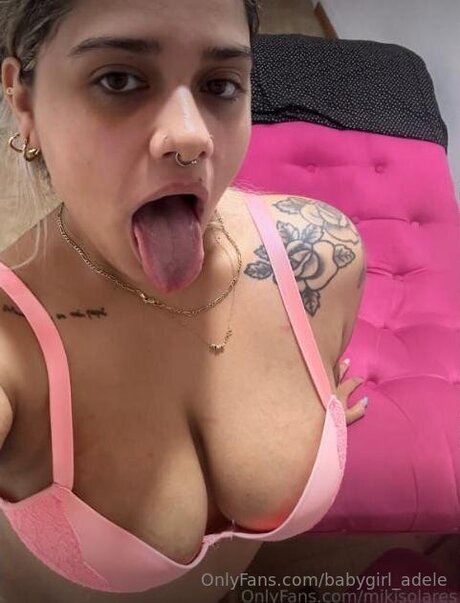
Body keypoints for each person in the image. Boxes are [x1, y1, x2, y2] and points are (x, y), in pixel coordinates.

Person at [0, 1, 368, 601]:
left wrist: (313, 421)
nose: (193, 137)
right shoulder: (11, 340)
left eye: (220, 84)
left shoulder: (323, 257)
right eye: (119, 80)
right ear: (23, 100)